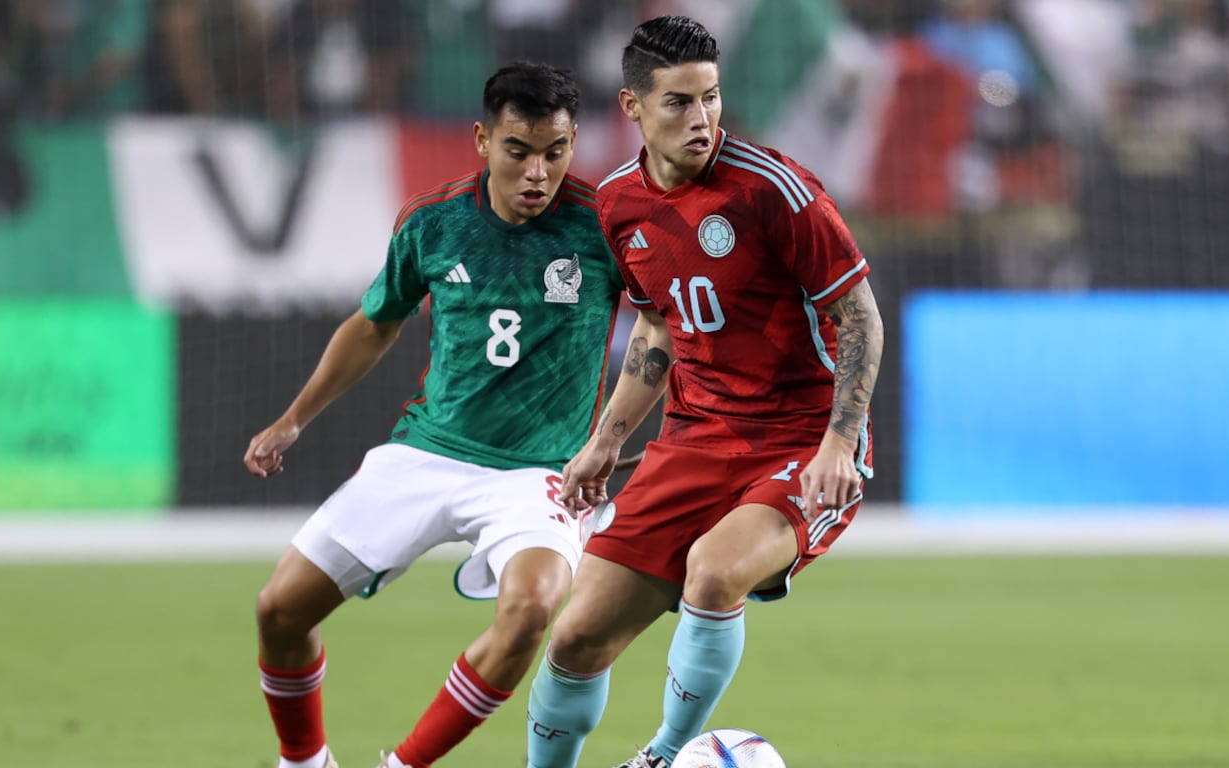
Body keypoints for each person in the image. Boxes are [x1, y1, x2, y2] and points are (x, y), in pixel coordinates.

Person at [524, 15, 885, 768]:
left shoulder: (773, 190)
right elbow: (658, 328)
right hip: (693, 442)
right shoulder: (618, 205)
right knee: (575, 636)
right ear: (632, 108)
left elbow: (860, 317)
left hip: (799, 441)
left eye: (711, 99)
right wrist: (607, 440)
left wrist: (840, 444)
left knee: (715, 572)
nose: (702, 120)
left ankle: (662, 758)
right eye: (679, 103)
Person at [244, 61, 624, 768]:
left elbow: (663, 331)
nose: (538, 171)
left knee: (532, 612)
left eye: (556, 150)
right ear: (483, 141)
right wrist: (292, 419)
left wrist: (612, 437)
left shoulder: (604, 224)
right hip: (427, 453)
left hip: (540, 472)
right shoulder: (433, 222)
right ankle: (304, 762)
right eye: (519, 150)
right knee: (279, 610)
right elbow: (373, 324)